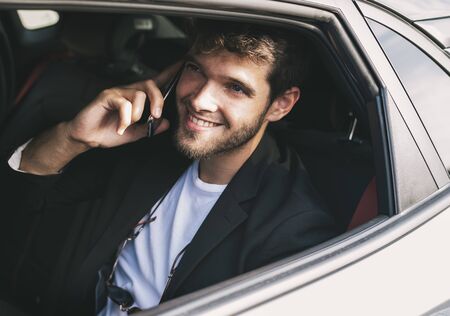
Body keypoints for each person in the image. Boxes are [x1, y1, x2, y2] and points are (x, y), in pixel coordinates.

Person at [0, 19, 337, 315]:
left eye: (235, 87)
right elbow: (21, 208)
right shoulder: (151, 141)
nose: (200, 100)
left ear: (280, 104)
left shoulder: (292, 230)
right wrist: (73, 136)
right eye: (196, 70)